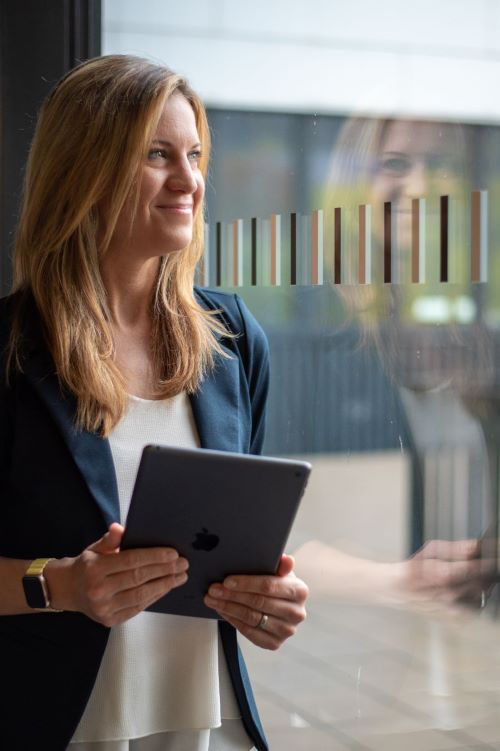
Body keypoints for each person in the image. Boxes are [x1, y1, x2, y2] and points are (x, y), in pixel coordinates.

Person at [0, 54, 308, 751]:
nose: (190, 181)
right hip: (66, 725)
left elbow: (239, 543)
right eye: (157, 155)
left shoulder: (233, 339)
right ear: (85, 170)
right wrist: (63, 586)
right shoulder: (11, 349)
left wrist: (269, 600)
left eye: (195, 155)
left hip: (212, 721)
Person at [293, 115, 494, 611]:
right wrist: (399, 582)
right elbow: (268, 536)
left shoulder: (474, 338)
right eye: (396, 164)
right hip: (357, 650)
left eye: (441, 165)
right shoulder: (314, 337)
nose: (421, 185)